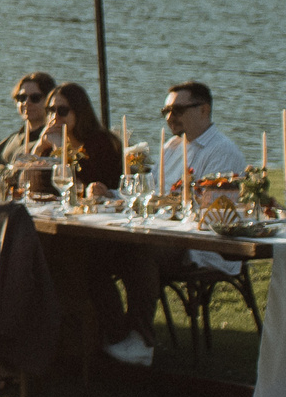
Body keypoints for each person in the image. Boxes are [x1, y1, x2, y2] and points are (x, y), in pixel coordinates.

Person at [106, 82, 249, 366]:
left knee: (139, 250)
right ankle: (106, 330)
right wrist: (109, 193)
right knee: (101, 246)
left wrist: (168, 204)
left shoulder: (222, 152)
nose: (170, 116)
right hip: (166, 233)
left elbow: (214, 210)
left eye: (178, 109)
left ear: (204, 109)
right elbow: (152, 190)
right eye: (166, 110)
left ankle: (142, 341)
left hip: (204, 245)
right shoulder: (172, 146)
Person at [0, 71, 60, 196]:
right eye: (22, 98)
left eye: (35, 98)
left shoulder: (51, 141)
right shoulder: (8, 141)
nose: (26, 102)